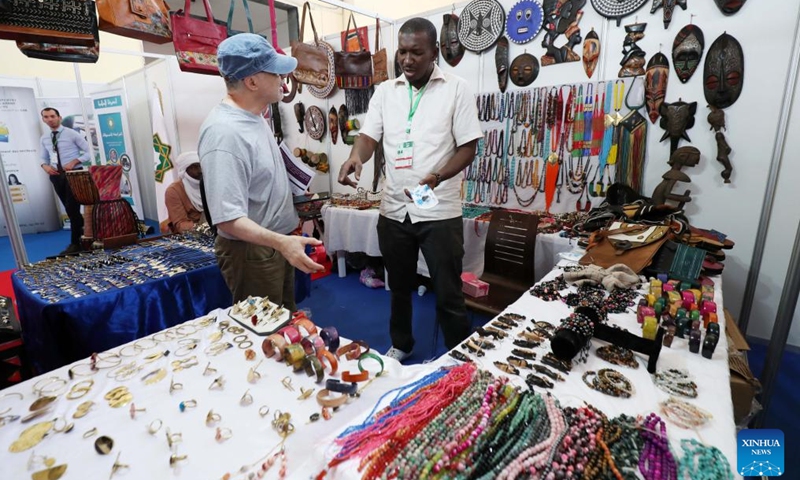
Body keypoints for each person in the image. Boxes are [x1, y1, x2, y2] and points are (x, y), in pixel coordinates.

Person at [338, 17, 483, 362]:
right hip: (394, 209)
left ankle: (459, 355)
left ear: (435, 52)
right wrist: (355, 157)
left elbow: (468, 147)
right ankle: (401, 343)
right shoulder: (386, 92)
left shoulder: (456, 88)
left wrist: (436, 176)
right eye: (402, 51)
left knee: (448, 291)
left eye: (416, 52)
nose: (407, 59)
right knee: (398, 286)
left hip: (438, 209)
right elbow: (368, 137)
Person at [198, 33, 323, 308]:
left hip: (274, 242)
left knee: (283, 323)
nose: (283, 79)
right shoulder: (224, 133)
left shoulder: (254, 116)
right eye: (275, 72)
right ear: (251, 81)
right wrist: (280, 242)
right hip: (254, 251)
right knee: (263, 331)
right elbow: (228, 218)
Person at [39, 107, 90, 255]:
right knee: (70, 209)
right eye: (46, 117)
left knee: (72, 208)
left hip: (74, 175)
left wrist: (75, 161)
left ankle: (76, 243)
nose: (50, 119)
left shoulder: (72, 134)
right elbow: (44, 157)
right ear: (43, 119)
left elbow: (88, 152)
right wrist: (44, 166)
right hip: (56, 176)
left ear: (59, 117)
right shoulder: (44, 138)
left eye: (53, 116)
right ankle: (83, 239)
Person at [162, 151, 204, 233]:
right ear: (185, 169)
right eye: (194, 167)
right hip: (190, 236)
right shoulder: (173, 191)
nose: (200, 171)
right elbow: (181, 225)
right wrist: (204, 228)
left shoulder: (208, 185)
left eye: (201, 166)